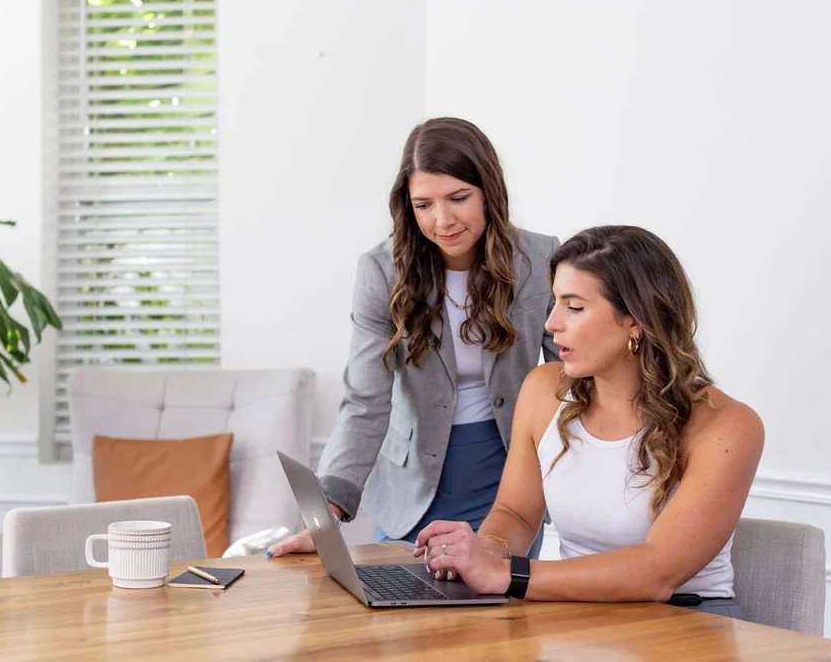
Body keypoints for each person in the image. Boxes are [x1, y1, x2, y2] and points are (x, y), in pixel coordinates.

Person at [413, 225, 764, 618]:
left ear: (636, 320)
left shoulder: (727, 426)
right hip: (573, 616)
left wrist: (504, 573)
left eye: (574, 307)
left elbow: (657, 572)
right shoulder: (543, 391)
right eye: (555, 302)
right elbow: (516, 513)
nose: (551, 323)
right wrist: (484, 549)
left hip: (687, 624)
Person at [268, 117, 559, 558]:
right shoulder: (383, 272)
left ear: (489, 192)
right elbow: (365, 401)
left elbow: (575, 380)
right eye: (424, 204)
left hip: (509, 478)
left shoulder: (540, 259)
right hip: (414, 481)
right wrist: (324, 514)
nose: (442, 221)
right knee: (402, 609)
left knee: (498, 615)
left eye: (458, 198)